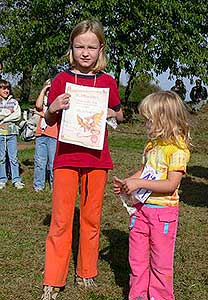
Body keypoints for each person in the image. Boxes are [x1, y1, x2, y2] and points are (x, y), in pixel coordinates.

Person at [40, 20, 123, 300]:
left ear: (101, 49)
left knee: (91, 217)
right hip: (65, 157)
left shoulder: (108, 81)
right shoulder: (62, 79)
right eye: (79, 46)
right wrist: (53, 107)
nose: (85, 52)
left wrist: (112, 114)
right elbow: (49, 117)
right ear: (71, 49)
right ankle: (53, 277)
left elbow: (120, 114)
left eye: (91, 46)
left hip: (97, 159)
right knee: (61, 220)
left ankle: (86, 271)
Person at [113, 91, 190, 300]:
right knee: (136, 258)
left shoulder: (177, 150)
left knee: (160, 262)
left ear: (164, 120)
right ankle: (137, 295)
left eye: (149, 120)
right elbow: (146, 170)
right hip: (141, 210)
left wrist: (138, 183)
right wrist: (129, 182)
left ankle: (160, 297)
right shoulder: (152, 146)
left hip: (162, 214)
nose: (145, 124)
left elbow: (171, 184)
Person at [33, 79, 58, 192]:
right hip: (41, 133)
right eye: (48, 89)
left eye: (51, 89)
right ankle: (39, 185)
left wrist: (41, 114)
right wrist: (44, 89)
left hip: (53, 134)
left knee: (52, 162)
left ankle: (54, 186)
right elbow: (38, 105)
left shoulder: (56, 102)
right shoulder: (43, 101)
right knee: (39, 161)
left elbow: (53, 116)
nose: (49, 91)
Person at [0, 79, 24, 190]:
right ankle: (2, 179)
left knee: (13, 157)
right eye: (3, 88)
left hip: (12, 133)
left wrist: (4, 119)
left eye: (8, 88)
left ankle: (16, 179)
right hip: (0, 134)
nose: (6, 90)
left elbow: (17, 116)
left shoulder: (14, 102)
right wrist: (8, 113)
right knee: (1, 157)